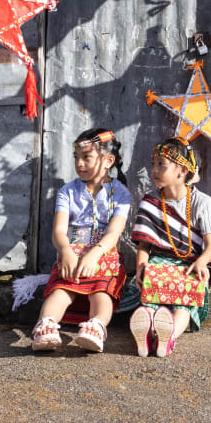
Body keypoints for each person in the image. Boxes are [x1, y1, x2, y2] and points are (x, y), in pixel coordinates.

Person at [31, 128, 130, 353]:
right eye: (76, 158)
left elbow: (114, 232)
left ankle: (95, 327)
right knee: (62, 288)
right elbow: (58, 230)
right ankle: (46, 325)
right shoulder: (67, 191)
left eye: (86, 157)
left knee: (101, 292)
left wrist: (95, 254)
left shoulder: (121, 193)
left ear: (108, 161)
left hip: (104, 253)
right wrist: (66, 251)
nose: (80, 164)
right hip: (72, 252)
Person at [129, 137, 211, 357]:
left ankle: (168, 336)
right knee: (150, 299)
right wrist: (141, 268)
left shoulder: (201, 202)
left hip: (190, 265)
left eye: (161, 164)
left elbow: (210, 247)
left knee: (184, 305)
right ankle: (146, 331)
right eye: (153, 163)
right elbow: (144, 246)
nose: (154, 170)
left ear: (182, 170)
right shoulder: (150, 201)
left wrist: (201, 261)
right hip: (158, 262)